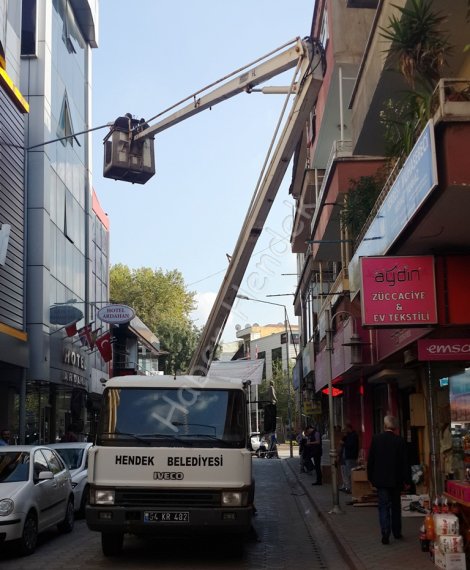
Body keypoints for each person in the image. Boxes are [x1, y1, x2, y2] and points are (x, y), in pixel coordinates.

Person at [367, 415, 411, 545]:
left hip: (381, 481)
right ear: (395, 427)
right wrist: (407, 480)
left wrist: (370, 477)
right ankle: (396, 532)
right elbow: (405, 462)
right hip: (396, 481)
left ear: (384, 426)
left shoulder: (376, 439)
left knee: (383, 506)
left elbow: (371, 461)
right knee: (396, 507)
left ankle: (385, 532)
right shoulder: (400, 441)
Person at [340, 422, 359, 493]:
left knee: (350, 473)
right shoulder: (348, 436)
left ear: (349, 428)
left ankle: (351, 488)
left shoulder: (353, 436)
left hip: (351, 457)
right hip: (347, 457)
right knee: (346, 472)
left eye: (345, 429)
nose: (344, 431)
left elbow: (350, 445)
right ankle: (347, 487)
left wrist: (344, 443)